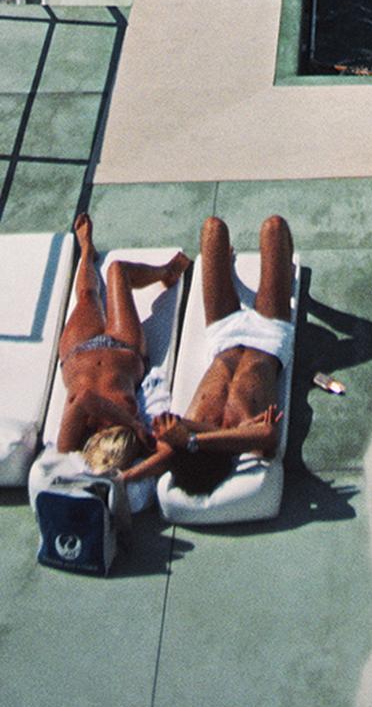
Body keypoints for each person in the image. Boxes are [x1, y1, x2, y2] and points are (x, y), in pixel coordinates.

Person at [115, 216, 293, 503]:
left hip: (224, 336)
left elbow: (164, 458)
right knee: (273, 227)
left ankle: (240, 265)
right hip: (269, 336)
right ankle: (287, 269)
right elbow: (268, 435)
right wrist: (190, 439)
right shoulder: (247, 437)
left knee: (213, 227)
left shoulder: (189, 425)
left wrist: (124, 479)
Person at [54, 212, 191, 474]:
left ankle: (86, 250)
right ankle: (166, 273)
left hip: (77, 351)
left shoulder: (69, 447)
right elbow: (169, 454)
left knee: (86, 295)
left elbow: (84, 398)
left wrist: (130, 422)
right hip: (124, 347)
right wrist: (130, 471)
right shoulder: (139, 441)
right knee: (118, 270)